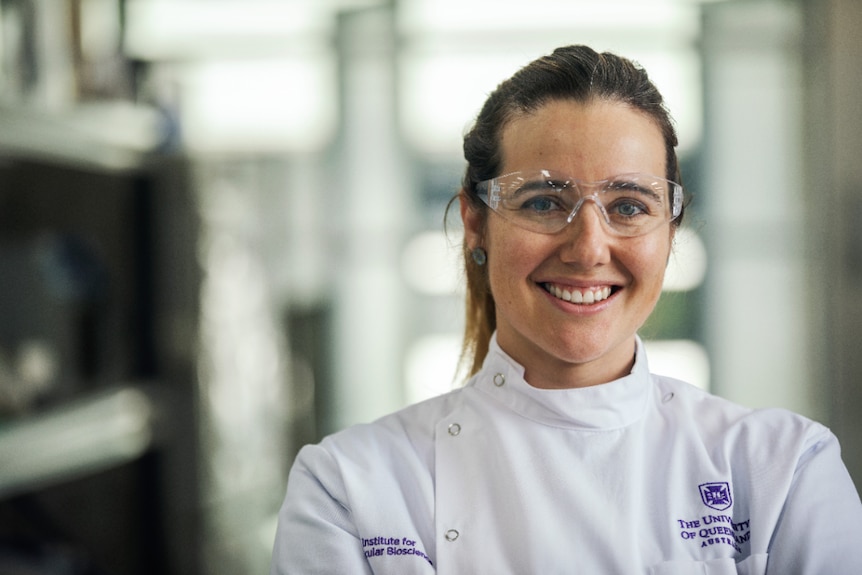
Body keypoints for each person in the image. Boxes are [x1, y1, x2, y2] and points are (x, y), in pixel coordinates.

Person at [270, 45, 862, 574]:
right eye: (543, 200)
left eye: (629, 205)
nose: (587, 248)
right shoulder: (350, 488)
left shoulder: (783, 471)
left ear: (670, 231)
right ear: (476, 223)